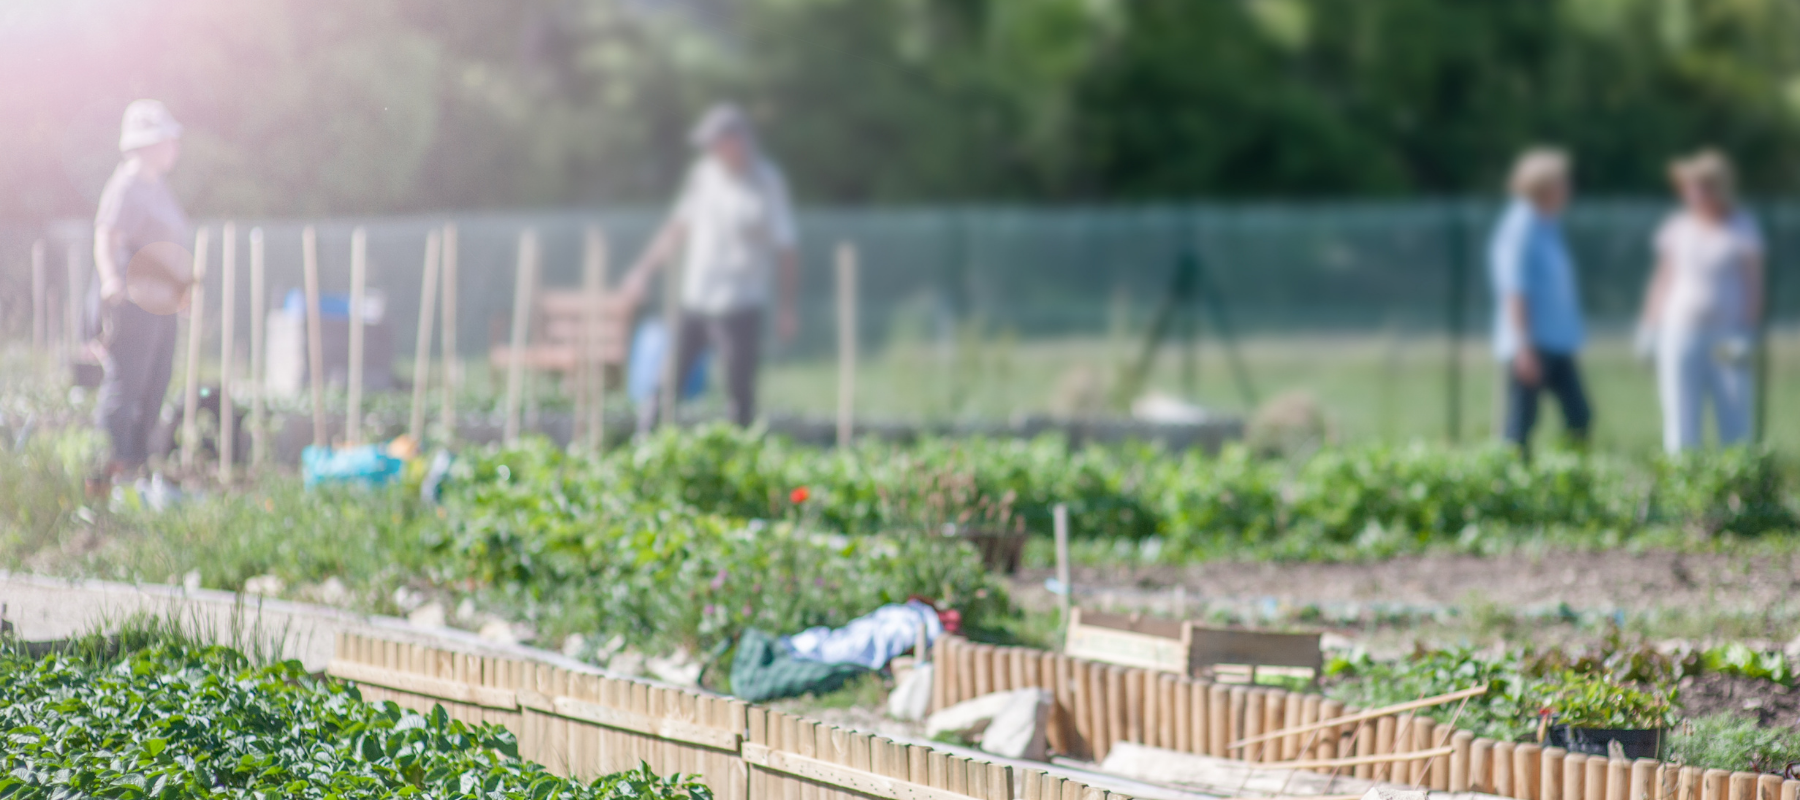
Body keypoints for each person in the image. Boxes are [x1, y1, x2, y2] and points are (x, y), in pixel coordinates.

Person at [621, 104, 799, 432]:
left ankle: (740, 462)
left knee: (739, 392)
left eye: (716, 142)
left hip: (741, 303)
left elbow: (786, 247)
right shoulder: (703, 175)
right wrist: (642, 271)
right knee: (666, 383)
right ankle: (641, 449)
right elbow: (676, 228)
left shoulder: (767, 182)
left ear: (737, 141)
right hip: (696, 300)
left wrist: (787, 308)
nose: (711, 150)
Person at [1637, 150, 1764, 453]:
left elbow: (1753, 285)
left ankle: (1735, 489)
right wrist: (1649, 327)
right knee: (1681, 418)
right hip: (1680, 332)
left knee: (1734, 417)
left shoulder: (1741, 226)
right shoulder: (1678, 227)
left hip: (1726, 334)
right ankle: (1684, 492)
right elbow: (1663, 280)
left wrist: (1747, 332)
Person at [92, 99, 189, 488]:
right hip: (134, 301)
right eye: (168, 140)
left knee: (155, 383)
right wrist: (110, 279)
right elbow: (106, 235)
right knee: (126, 385)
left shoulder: (157, 186)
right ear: (148, 143)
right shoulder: (127, 184)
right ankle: (106, 470)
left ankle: (137, 469)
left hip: (161, 301)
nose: (173, 148)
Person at [1489, 147, 1591, 454]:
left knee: (1579, 416)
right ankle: (1511, 492)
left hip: (1556, 341)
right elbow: (1514, 287)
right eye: (1561, 182)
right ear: (1543, 186)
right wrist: (1522, 346)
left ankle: (1569, 485)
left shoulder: (1549, 224)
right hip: (1532, 344)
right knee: (1519, 428)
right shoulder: (1521, 225)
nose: (1567, 189)